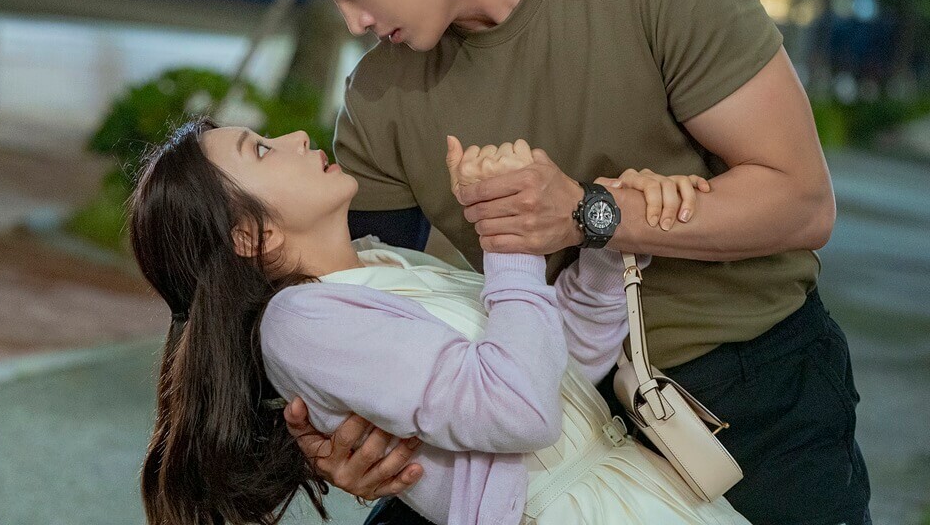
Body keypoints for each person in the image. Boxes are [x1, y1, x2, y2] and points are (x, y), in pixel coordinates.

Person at [236, 0, 869, 525]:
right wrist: (334, 439)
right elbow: (349, 295)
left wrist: (589, 214)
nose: (354, 22)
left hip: (754, 390)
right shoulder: (379, 95)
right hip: (527, 418)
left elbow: (801, 202)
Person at [130, 117, 748, 525]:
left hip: (638, 493)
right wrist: (508, 235)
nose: (294, 137)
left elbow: (562, 373)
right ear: (250, 235)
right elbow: (519, 410)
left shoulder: (385, 264)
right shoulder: (299, 324)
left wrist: (606, 246)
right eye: (262, 150)